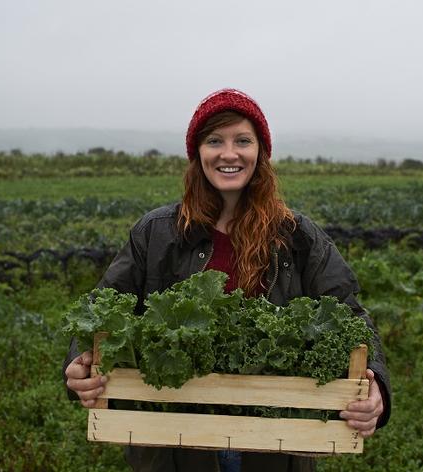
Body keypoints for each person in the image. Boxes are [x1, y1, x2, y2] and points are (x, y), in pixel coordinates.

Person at [64, 88, 391, 472]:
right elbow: (101, 309)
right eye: (215, 140)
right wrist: (78, 365)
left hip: (272, 447)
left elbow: (351, 316)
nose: (229, 153)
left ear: (260, 153)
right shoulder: (155, 233)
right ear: (197, 152)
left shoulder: (298, 236)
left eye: (243, 141)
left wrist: (377, 388)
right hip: (175, 445)